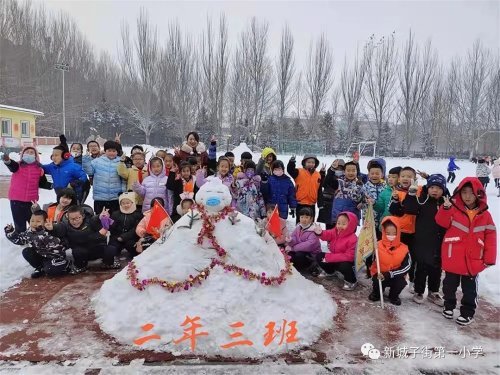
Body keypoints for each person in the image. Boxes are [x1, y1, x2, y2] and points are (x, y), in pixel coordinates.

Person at [436, 177, 496, 326]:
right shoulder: (453, 209)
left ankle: (468, 312)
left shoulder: (485, 215)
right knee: (449, 286)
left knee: (469, 291)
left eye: (471, 193)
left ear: (479, 194)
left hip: (473, 260)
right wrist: (446, 208)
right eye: (464, 192)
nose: (467, 196)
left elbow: (491, 237)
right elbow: (441, 221)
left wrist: (489, 258)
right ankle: (448, 306)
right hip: (453, 258)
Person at [402, 174, 448, 306]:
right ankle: (419, 291)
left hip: (439, 242)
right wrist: (411, 193)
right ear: (427, 188)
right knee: (421, 267)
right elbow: (409, 209)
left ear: (443, 190)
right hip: (422, 240)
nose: (435, 190)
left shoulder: (446, 203)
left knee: (436, 268)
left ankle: (433, 292)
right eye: (432, 187)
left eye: (438, 188)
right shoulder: (422, 200)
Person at [47, 205, 119, 274]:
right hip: (81, 253)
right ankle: (81, 266)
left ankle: (108, 263)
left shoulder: (90, 221)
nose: (75, 221)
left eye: (78, 218)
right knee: (78, 252)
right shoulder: (65, 226)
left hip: (96, 249)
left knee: (111, 249)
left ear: (83, 216)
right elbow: (58, 228)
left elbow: (96, 219)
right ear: (68, 218)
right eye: (72, 219)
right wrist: (52, 228)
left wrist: (101, 217)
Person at [4, 210, 69, 278]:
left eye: (38, 221)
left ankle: (66, 265)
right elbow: (19, 240)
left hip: (55, 256)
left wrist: (50, 230)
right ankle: (40, 268)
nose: (34, 224)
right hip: (41, 255)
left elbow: (61, 234)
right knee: (26, 251)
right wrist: (10, 231)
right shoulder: (29, 232)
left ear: (45, 222)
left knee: (51, 271)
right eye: (32, 221)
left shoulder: (50, 229)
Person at [368, 217, 411, 306]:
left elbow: (407, 266)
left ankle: (394, 295)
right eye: (388, 233)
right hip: (380, 274)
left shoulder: (404, 248)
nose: (391, 236)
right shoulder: (377, 245)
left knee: (400, 283)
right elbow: (371, 260)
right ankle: (377, 292)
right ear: (383, 232)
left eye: (394, 233)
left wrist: (391, 274)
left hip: (396, 276)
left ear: (398, 233)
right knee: (377, 280)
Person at [388, 166, 419, 289]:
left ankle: (413, 280)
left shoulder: (419, 191)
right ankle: (396, 278)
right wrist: (395, 201)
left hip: (415, 231)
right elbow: (393, 211)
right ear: (399, 179)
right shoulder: (396, 192)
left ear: (414, 178)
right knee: (398, 256)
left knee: (413, 257)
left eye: (409, 176)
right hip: (400, 231)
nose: (406, 178)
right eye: (403, 176)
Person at [3, 146, 45, 232]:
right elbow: (11, 165)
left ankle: (36, 238)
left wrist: (53, 185)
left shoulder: (39, 169)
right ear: (22, 155)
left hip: (31, 201)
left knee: (34, 222)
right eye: (27, 152)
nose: (29, 154)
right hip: (16, 200)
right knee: (19, 223)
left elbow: (43, 183)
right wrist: (7, 161)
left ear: (36, 156)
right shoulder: (18, 166)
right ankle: (20, 238)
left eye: (31, 152)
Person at [313, 211, 358, 290]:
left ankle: (351, 281)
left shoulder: (353, 238)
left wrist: (330, 257)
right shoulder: (335, 231)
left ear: (351, 225)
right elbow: (327, 234)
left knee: (344, 266)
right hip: (334, 259)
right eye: (338, 223)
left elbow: (349, 256)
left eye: (344, 224)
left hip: (346, 262)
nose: (340, 226)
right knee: (319, 256)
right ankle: (330, 271)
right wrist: (320, 233)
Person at [43, 135, 88, 203]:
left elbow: (83, 176)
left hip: (73, 196)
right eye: (52, 155)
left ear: (65, 156)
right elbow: (40, 167)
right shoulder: (52, 166)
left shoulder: (73, 166)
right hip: (60, 196)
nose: (53, 158)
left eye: (56, 155)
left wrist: (74, 183)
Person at [85, 140, 123, 214]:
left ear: (117, 152)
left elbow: (124, 178)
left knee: (114, 220)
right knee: (101, 220)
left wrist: (123, 192)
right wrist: (86, 160)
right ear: (105, 151)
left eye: (114, 151)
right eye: (109, 150)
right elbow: (90, 171)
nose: (111, 153)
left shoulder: (120, 162)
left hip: (115, 197)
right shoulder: (97, 161)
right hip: (100, 198)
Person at [287, 154, 324, 224]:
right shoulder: (298, 172)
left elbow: (319, 190)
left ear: (315, 164)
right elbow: (290, 170)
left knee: (310, 222)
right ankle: (299, 234)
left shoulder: (318, 175)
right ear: (304, 163)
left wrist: (320, 204)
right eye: (308, 162)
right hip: (300, 202)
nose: (311, 164)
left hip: (312, 203)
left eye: (313, 162)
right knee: (300, 222)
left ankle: (309, 234)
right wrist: (291, 163)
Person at [285, 207, 321, 274]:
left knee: (299, 255)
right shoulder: (299, 227)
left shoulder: (314, 230)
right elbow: (294, 237)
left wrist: (293, 248)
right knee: (288, 253)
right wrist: (290, 240)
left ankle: (307, 268)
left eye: (306, 217)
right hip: (300, 250)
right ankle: (294, 267)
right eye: (302, 217)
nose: (304, 219)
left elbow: (309, 245)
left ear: (311, 219)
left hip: (311, 255)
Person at [109, 192, 144, 259]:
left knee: (134, 251)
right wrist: (106, 220)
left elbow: (136, 229)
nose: (125, 205)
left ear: (132, 203)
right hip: (117, 238)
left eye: (128, 203)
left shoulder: (137, 214)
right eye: (123, 203)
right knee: (112, 250)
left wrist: (124, 237)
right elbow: (112, 228)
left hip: (131, 239)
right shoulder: (115, 214)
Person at [331, 161, 364, 226]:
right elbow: (327, 182)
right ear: (344, 171)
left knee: (350, 235)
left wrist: (362, 203)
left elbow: (364, 199)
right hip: (338, 216)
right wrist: (332, 169)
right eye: (348, 170)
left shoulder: (360, 184)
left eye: (353, 171)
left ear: (357, 172)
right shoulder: (338, 182)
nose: (351, 173)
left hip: (353, 216)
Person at [317, 159, 343, 229]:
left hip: (340, 208)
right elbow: (324, 183)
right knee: (329, 228)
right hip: (329, 208)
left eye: (340, 168)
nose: (339, 170)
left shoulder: (345, 179)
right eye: (337, 168)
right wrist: (332, 170)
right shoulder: (330, 177)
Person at [363, 160, 387, 237]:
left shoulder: (385, 187)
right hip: (369, 218)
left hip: (381, 218)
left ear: (382, 174)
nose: (374, 176)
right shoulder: (365, 187)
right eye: (372, 173)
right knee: (369, 238)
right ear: (368, 175)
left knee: (380, 236)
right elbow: (361, 200)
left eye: (377, 173)